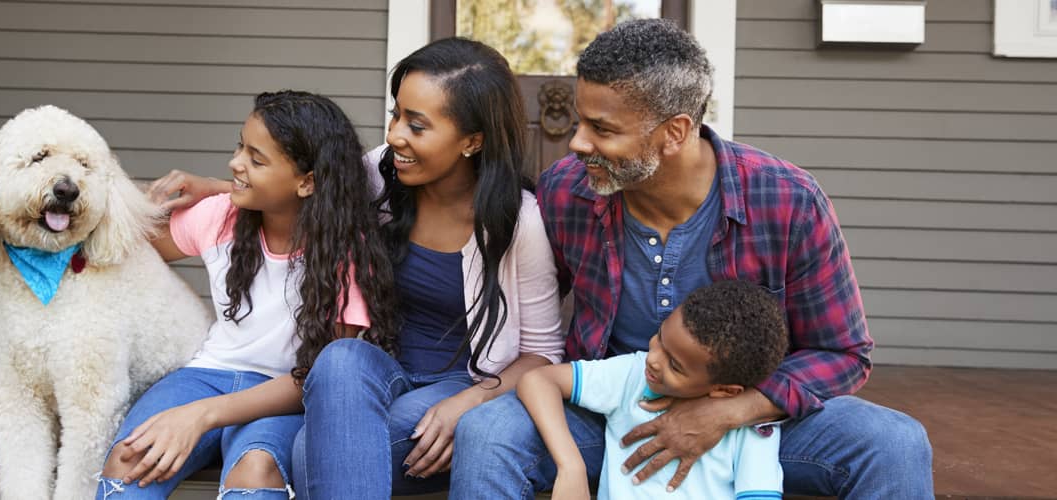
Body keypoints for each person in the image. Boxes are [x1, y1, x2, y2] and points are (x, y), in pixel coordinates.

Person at [450, 19, 934, 499]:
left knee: (893, 442)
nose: (577, 142)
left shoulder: (787, 200)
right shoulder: (566, 191)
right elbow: (520, 310)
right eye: (580, 121)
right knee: (490, 433)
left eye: (601, 129)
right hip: (610, 414)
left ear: (675, 132)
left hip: (754, 426)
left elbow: (841, 354)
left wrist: (727, 412)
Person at [289, 37, 565, 499]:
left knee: (306, 455)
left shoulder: (518, 222)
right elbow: (294, 191)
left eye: (417, 126)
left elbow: (543, 353)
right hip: (381, 367)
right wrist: (214, 190)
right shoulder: (379, 174)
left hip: (467, 381)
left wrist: (472, 402)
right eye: (396, 115)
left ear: (472, 141)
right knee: (338, 360)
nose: (396, 135)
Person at [93, 90, 399, 500]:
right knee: (129, 460)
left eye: (256, 159)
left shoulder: (347, 253)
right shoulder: (221, 215)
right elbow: (134, 253)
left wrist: (202, 416)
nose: (235, 163)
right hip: (205, 376)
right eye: (240, 146)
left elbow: (318, 379)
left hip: (285, 394)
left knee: (256, 470)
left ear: (307, 182)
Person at [518, 280, 789, 500]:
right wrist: (571, 467)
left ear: (725, 391)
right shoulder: (632, 376)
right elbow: (538, 381)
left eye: (675, 365)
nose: (653, 358)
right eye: (659, 337)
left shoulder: (754, 429)